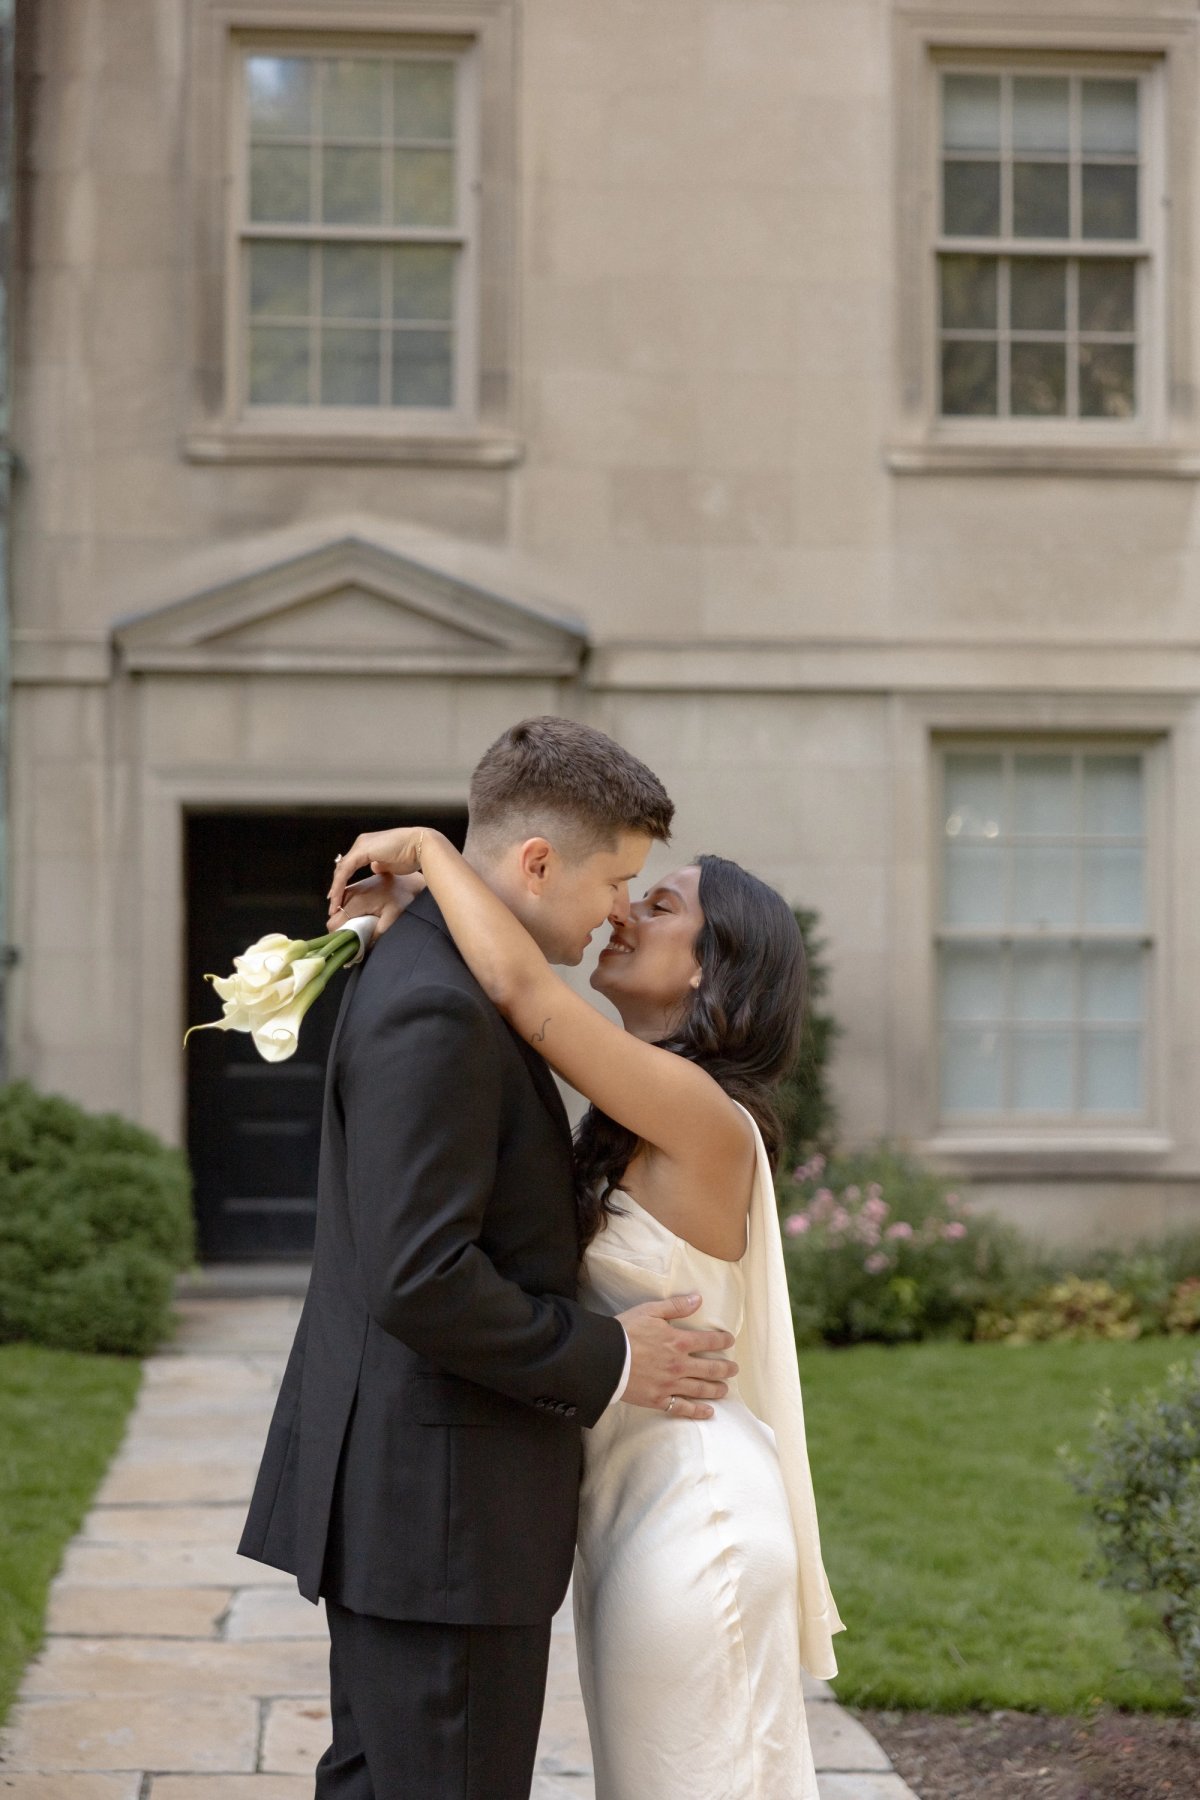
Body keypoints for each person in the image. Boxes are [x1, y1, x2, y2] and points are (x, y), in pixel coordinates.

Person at [237, 717, 742, 1800]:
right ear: (539, 863)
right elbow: (422, 1275)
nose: (618, 908)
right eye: (619, 878)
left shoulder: (441, 971)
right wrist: (606, 1360)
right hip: (442, 1518)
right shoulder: (439, 1004)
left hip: (419, 1507)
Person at [328, 818, 845, 1800]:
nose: (621, 909)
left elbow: (523, 993)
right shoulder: (631, 1104)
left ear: (708, 973)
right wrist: (403, 929)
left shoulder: (701, 1113)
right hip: (628, 1498)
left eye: (659, 904)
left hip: (698, 1507)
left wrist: (437, 858)